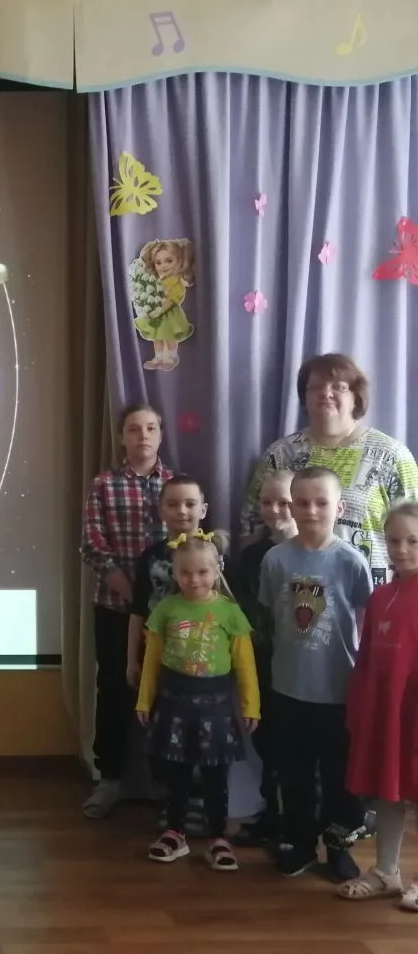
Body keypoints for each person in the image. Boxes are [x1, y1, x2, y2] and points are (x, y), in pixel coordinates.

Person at [259, 466, 374, 880]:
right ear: (292, 506)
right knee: (294, 773)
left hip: (338, 691)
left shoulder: (351, 562)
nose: (310, 511)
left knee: (340, 777)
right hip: (288, 688)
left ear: (339, 508)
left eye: (321, 503)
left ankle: (339, 846)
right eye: (302, 502)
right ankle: (299, 843)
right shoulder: (275, 559)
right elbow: (271, 616)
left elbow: (363, 625)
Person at [135, 529, 259, 870]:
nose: (194, 579)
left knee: (216, 777)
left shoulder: (230, 612)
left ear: (216, 570)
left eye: (202, 572)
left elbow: (246, 665)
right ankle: (175, 833)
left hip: (216, 707)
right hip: (174, 703)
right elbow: (151, 661)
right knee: (176, 774)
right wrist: (144, 701)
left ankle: (219, 838)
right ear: (174, 573)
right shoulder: (166, 609)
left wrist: (251, 705)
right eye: (185, 572)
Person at [241, 352, 418, 588]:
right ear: (304, 397)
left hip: (373, 597)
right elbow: (251, 526)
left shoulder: (392, 456)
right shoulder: (280, 454)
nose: (326, 393)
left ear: (356, 397)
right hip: (292, 595)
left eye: (339, 387)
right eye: (315, 387)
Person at [80, 403, 174, 819]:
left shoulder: (176, 485)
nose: (143, 435)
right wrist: (137, 596)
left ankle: (169, 785)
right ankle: (110, 779)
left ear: (161, 435)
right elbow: (93, 547)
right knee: (115, 691)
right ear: (122, 437)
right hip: (115, 608)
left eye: (151, 428)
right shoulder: (104, 484)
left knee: (169, 694)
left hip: (171, 616)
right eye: (134, 429)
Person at [338, 503, 418, 905]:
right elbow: (366, 658)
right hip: (388, 712)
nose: (401, 549)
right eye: (393, 540)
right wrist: (360, 708)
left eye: (413, 541)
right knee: (390, 791)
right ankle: (386, 871)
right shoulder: (381, 595)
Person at [226, 469, 297, 846]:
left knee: (296, 745)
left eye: (284, 502)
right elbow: (244, 609)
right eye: (267, 502)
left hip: (302, 668)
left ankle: (298, 822)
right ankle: (272, 815)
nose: (275, 509)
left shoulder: (313, 552)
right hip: (262, 664)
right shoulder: (253, 554)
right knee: (267, 741)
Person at [126, 475, 212, 689]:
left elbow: (232, 610)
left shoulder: (217, 557)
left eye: (190, 504)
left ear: (203, 510)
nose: (182, 511)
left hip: (206, 655)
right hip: (159, 656)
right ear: (161, 511)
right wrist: (131, 660)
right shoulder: (150, 557)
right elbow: (138, 610)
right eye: (173, 504)